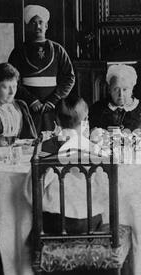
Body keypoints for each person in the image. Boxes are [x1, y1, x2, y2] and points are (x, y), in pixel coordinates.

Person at [28, 95, 107, 234]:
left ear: (56, 121)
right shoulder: (95, 150)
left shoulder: (44, 148)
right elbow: (105, 189)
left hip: (55, 223)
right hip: (90, 222)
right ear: (86, 121)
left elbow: (31, 192)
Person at [8, 5, 75, 133]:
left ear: (46, 26)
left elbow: (69, 78)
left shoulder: (58, 49)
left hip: (54, 107)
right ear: (28, 27)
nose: (37, 26)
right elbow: (12, 80)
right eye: (33, 23)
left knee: (53, 140)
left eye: (40, 22)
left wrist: (53, 100)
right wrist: (31, 100)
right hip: (28, 107)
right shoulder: (19, 51)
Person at [89, 64, 141, 132]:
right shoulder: (97, 109)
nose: (120, 94)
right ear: (109, 89)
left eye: (125, 89)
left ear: (132, 89)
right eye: (116, 89)